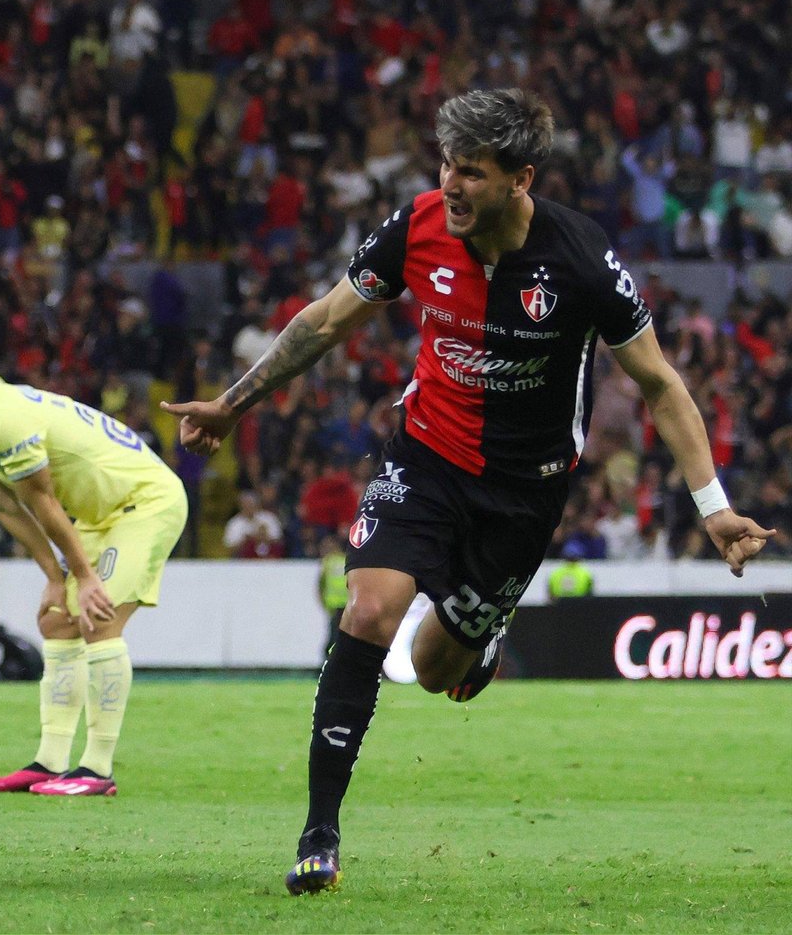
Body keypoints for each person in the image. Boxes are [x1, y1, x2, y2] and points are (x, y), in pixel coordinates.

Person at [162, 89, 775, 894]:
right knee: (370, 609)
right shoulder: (413, 226)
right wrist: (232, 403)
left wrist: (713, 506)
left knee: (435, 665)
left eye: (472, 173)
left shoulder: (583, 261)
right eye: (446, 164)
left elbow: (660, 383)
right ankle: (319, 832)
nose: (450, 185)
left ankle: (473, 640)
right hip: (425, 458)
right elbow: (327, 320)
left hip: (525, 494)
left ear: (521, 178)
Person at [0, 342, 188, 797]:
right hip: (97, 516)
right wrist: (55, 577)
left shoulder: (3, 418)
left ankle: (97, 768)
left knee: (99, 618)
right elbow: (10, 509)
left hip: (145, 502)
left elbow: (42, 501)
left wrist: (85, 578)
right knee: (57, 622)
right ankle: (49, 761)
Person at [317, 531, 348, 662]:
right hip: (336, 605)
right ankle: (327, 662)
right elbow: (321, 585)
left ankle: (328, 663)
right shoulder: (329, 562)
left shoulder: (337, 561)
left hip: (346, 605)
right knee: (335, 636)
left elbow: (320, 585)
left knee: (337, 637)